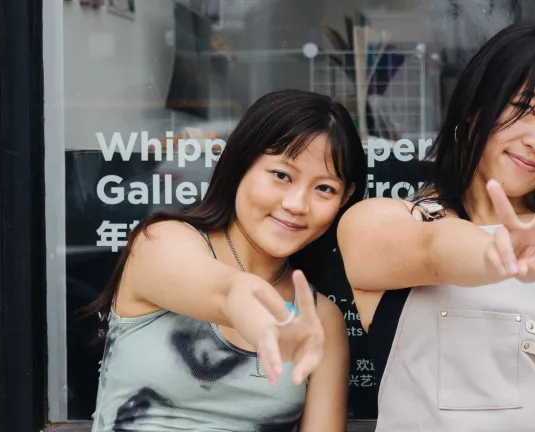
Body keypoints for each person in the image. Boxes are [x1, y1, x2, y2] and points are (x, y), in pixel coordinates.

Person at [337, 20, 535, 431]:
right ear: (474, 108)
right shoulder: (383, 222)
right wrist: (495, 255)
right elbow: (434, 251)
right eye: (524, 108)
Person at [85, 89, 367, 431]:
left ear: (345, 198)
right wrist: (261, 321)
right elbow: (226, 293)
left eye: (324, 188)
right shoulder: (163, 241)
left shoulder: (322, 319)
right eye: (281, 175)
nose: (297, 203)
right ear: (240, 164)